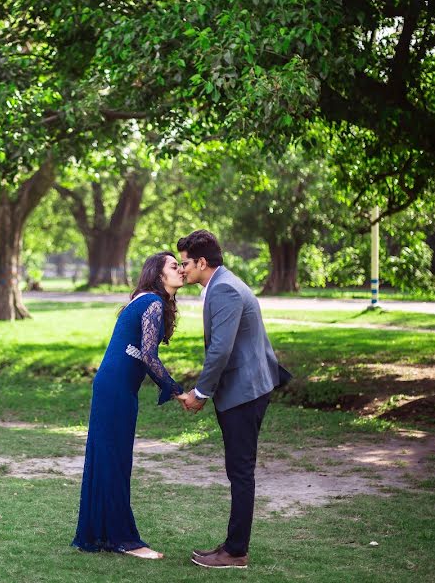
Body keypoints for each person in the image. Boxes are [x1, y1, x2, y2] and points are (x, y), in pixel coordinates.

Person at [176, 230, 291, 569]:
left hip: (245, 391)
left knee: (240, 471)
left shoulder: (224, 289)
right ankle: (231, 544)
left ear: (202, 262)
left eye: (185, 263)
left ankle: (236, 551)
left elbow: (220, 350)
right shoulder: (221, 284)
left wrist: (200, 393)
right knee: (237, 469)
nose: (182, 270)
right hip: (245, 388)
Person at [72, 252, 186, 560]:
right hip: (116, 389)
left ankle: (103, 534)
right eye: (174, 266)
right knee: (114, 461)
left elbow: (137, 351)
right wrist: (176, 390)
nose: (181, 270)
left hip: (114, 387)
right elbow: (149, 356)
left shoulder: (144, 298)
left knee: (110, 459)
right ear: (159, 274)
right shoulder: (152, 303)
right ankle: (125, 540)